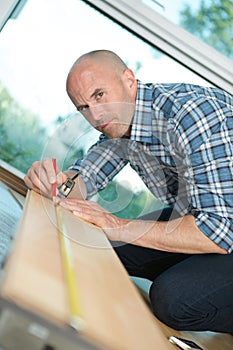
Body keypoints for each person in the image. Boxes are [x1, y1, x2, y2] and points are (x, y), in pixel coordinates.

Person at [24, 50, 233, 334]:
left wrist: (119, 225)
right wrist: (52, 183)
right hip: (205, 214)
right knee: (105, 247)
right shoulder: (123, 123)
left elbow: (219, 230)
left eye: (99, 95)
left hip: (222, 224)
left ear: (129, 81)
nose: (95, 115)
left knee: (173, 299)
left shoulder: (191, 117)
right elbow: (86, 177)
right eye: (83, 107)